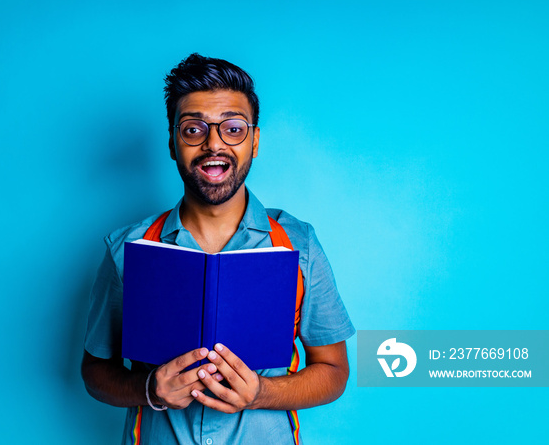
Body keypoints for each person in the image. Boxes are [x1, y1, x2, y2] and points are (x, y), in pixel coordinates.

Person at [82, 53, 355, 444]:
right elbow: (95, 370)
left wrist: (263, 393)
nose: (214, 145)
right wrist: (149, 391)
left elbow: (333, 370)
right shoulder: (127, 248)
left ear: (254, 141)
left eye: (233, 128)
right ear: (174, 143)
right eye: (194, 129)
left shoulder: (299, 245)